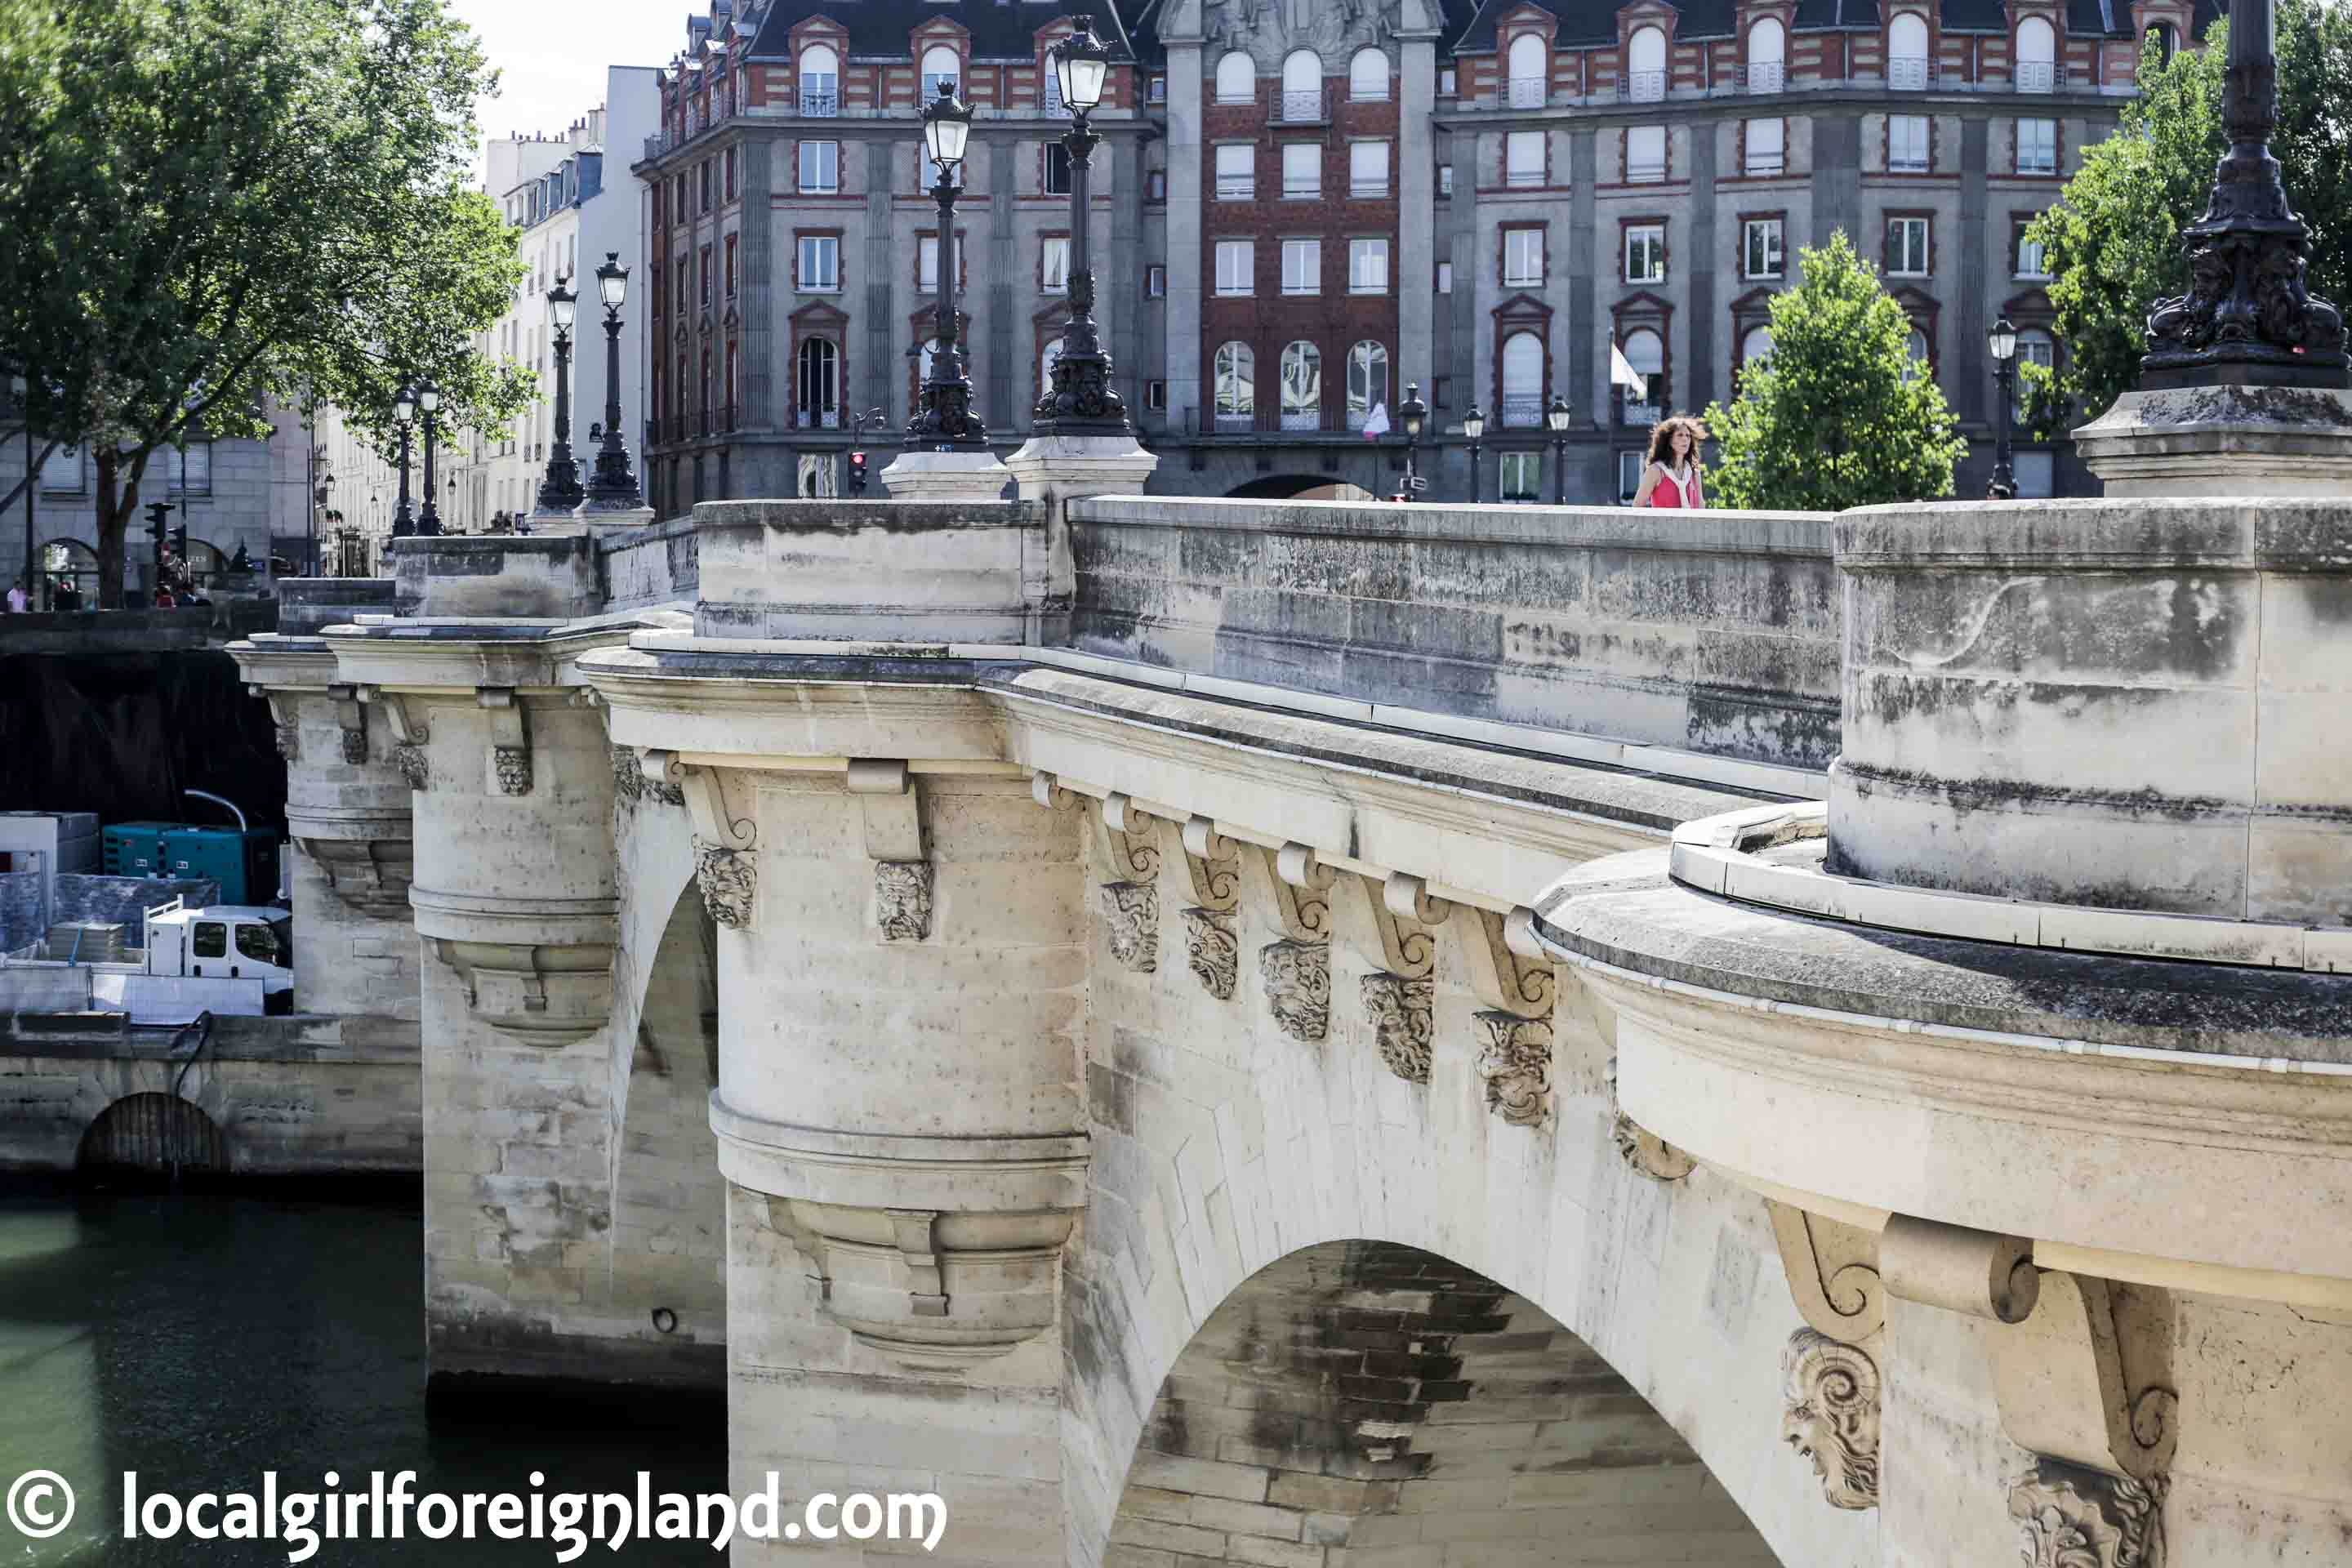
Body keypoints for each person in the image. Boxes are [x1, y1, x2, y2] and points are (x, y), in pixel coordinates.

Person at [1631, 416, 1707, 509]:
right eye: (1680, 435)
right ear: (1669, 440)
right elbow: (1637, 507)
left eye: (1688, 436)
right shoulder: (1656, 471)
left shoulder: (1694, 473)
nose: (1685, 439)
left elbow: (1701, 508)